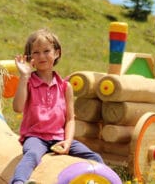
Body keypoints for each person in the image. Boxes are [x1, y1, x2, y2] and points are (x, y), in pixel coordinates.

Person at [11, 29, 104, 184]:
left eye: (46, 51)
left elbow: (70, 120)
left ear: (57, 53)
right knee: (32, 155)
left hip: (59, 138)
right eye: (36, 52)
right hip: (36, 137)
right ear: (29, 57)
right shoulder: (28, 82)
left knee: (95, 157)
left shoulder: (65, 86)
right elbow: (17, 107)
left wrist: (67, 142)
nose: (41, 56)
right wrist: (24, 76)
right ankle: (19, 181)